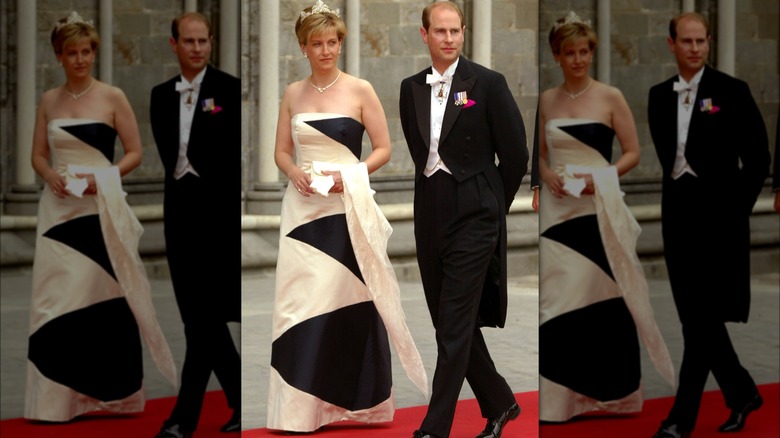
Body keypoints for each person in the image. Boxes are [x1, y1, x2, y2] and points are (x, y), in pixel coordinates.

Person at [267, 0, 427, 433]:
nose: (326, 50)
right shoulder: (292, 93)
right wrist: (294, 171)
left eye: (332, 41)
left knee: (345, 304)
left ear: (341, 42)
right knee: (297, 307)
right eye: (317, 43)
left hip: (345, 210)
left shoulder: (360, 90)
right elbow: (281, 150)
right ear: (303, 47)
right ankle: (298, 411)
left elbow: (384, 149)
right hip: (302, 213)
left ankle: (356, 404)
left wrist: (350, 175)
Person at [25, 11, 177, 423]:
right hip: (58, 212)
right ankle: (54, 401)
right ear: (59, 56)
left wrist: (104, 177)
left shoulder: (112, 97)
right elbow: (38, 154)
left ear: (94, 52)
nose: (80, 59)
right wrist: (50, 174)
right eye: (71, 53)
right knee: (54, 302)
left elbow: (135, 153)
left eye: (86, 51)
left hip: (100, 208)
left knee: (102, 298)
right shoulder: (49, 100)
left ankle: (114, 395)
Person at [537, 11, 676, 424]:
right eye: (569, 53)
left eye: (584, 52)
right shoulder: (546, 100)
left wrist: (604, 176)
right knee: (555, 303)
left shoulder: (611, 96)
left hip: (599, 210)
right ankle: (558, 401)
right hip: (559, 212)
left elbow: (633, 152)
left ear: (592, 53)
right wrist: (547, 177)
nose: (578, 59)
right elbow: (539, 156)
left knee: (601, 299)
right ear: (557, 56)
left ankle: (610, 395)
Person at [399, 2, 528, 437]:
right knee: (449, 320)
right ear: (425, 34)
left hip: (475, 213)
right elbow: (422, 155)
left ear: (464, 32)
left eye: (456, 30)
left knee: (453, 325)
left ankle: (434, 429)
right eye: (440, 31)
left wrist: (493, 205)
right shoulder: (410, 87)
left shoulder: (488, 84)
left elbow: (515, 155)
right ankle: (501, 402)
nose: (449, 38)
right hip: (429, 213)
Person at [648, 12, 770, 438]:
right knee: (696, 322)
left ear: (709, 42)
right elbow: (670, 163)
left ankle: (680, 421)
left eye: (702, 41)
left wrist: (736, 208)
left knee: (701, 322)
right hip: (677, 222)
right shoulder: (658, 96)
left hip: (721, 223)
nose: (695, 48)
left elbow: (758, 159)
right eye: (687, 41)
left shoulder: (731, 92)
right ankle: (742, 393)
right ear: (672, 44)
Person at [150, 12, 241, 438]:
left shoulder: (228, 89)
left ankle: (182, 420)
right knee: (199, 321)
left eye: (204, 41)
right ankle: (240, 400)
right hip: (178, 215)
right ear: (174, 44)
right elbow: (170, 156)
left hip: (216, 220)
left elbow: (230, 157)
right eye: (189, 41)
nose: (198, 48)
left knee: (202, 320)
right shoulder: (158, 95)